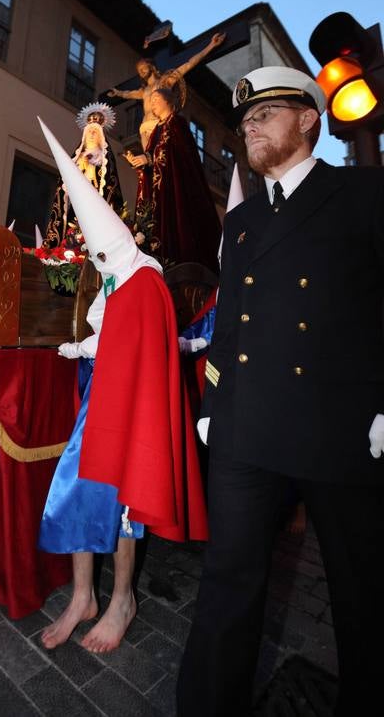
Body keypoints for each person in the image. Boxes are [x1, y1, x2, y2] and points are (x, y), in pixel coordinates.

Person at [176, 66, 384, 717]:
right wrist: (215, 408)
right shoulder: (238, 226)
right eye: (243, 122)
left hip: (342, 425)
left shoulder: (363, 195)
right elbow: (229, 321)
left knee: (363, 597)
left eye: (264, 114)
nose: (248, 129)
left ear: (308, 119)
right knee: (226, 589)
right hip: (247, 430)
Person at [37, 117, 207, 653]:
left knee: (127, 505)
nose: (98, 262)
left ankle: (122, 600)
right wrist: (81, 348)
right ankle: (82, 595)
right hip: (100, 407)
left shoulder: (147, 280)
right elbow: (105, 335)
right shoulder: (113, 282)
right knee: (75, 491)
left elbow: (147, 352)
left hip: (136, 414)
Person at [128, 86, 222, 271]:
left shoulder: (178, 124)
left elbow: (181, 157)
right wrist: (141, 163)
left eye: (156, 99)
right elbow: (153, 157)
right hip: (158, 194)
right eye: (151, 100)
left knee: (174, 230)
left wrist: (148, 158)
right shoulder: (156, 130)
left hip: (173, 192)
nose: (152, 103)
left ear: (167, 100)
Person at [107, 33, 226, 144]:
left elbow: (189, 64)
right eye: (139, 71)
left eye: (143, 68)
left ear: (152, 67)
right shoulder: (144, 90)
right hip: (144, 127)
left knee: (162, 159)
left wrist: (211, 46)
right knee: (151, 163)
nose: (141, 72)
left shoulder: (165, 81)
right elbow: (128, 94)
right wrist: (118, 93)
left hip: (160, 123)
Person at [44, 101, 123, 247]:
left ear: (100, 136)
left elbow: (110, 186)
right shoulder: (76, 158)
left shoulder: (105, 159)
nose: (92, 134)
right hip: (76, 206)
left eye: (95, 132)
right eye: (89, 132)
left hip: (95, 205)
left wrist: (92, 168)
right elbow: (63, 187)